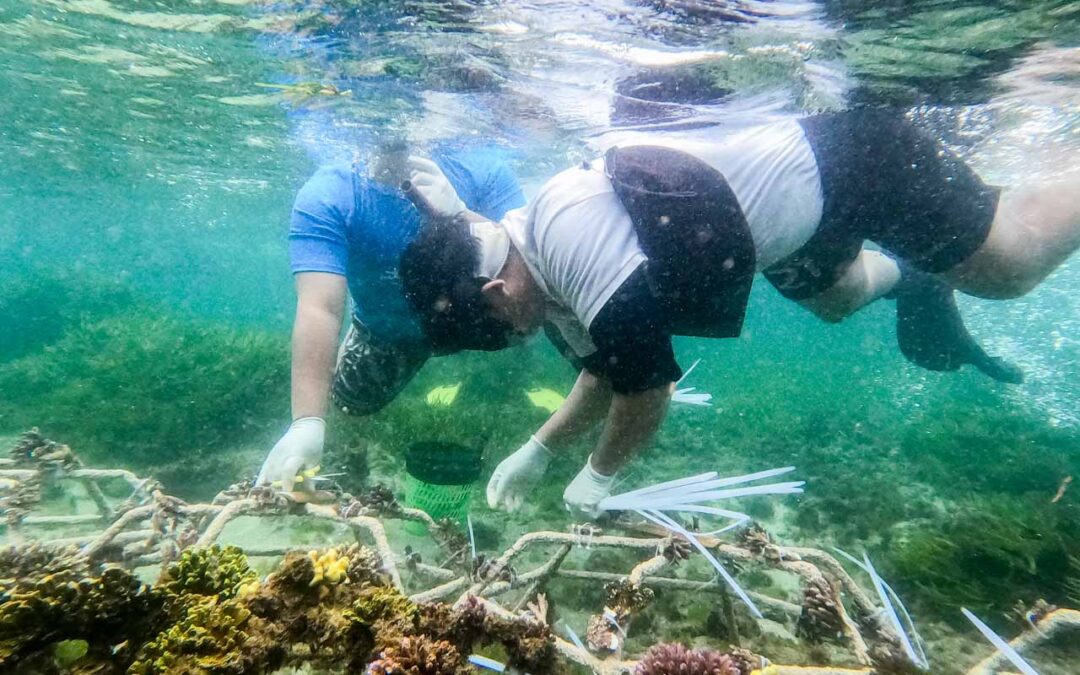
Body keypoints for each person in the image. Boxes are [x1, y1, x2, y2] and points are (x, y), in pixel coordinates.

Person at [397, 109, 1080, 517]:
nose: (521, 339)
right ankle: (921, 281)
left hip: (857, 162)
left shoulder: (567, 235)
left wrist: (600, 473)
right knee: (838, 300)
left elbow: (644, 386)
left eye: (505, 333)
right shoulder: (538, 272)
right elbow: (603, 370)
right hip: (801, 224)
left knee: (1010, 266)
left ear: (495, 294)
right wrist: (541, 449)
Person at [256, 143, 525, 491]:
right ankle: (351, 461)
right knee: (352, 402)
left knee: (554, 341)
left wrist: (462, 213)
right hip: (390, 333)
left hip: (487, 317)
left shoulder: (480, 169)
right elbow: (319, 308)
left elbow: (533, 255)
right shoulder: (330, 195)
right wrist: (307, 421)